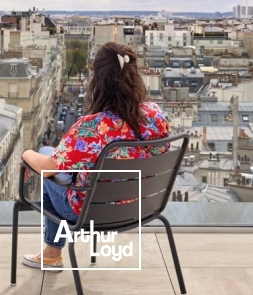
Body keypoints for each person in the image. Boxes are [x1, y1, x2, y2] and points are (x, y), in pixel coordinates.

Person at [19, 42, 170, 271]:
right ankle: (51, 253)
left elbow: (47, 169)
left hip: (91, 212)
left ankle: (52, 253)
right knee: (52, 159)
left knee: (44, 159)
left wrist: (26, 153)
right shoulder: (155, 115)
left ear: (98, 81)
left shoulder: (92, 127)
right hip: (141, 206)